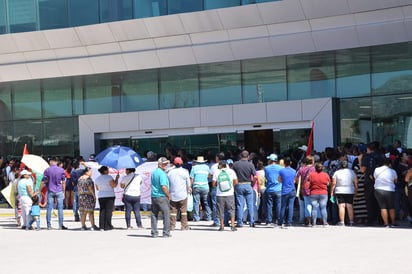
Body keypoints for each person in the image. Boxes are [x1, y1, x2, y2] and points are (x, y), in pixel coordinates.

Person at [360, 142, 384, 225]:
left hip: (369, 180)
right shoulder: (381, 156)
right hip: (381, 180)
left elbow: (363, 169)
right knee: (380, 201)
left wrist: (360, 160)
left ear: (369, 148)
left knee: (370, 200)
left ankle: (371, 219)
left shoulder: (366, 156)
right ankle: (381, 219)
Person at [233, 150, 257, 228]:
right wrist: (252, 184)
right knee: (250, 204)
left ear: (240, 156)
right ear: (248, 156)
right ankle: (251, 221)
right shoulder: (251, 165)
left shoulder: (236, 164)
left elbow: (233, 176)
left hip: (239, 184)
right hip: (248, 184)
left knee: (240, 204)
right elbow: (255, 176)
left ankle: (240, 222)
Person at [41, 157, 67, 230]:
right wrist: (63, 191)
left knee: (49, 208)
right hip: (59, 191)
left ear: (52, 161)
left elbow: (44, 181)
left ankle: (49, 225)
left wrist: (39, 189)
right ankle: (60, 225)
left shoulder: (47, 170)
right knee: (60, 208)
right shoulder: (61, 170)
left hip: (50, 191)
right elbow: (64, 182)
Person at [212, 160, 238, 232]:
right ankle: (232, 226)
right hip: (230, 194)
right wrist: (229, 186)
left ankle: (222, 226)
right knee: (231, 209)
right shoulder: (231, 171)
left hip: (220, 194)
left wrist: (220, 185)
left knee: (221, 210)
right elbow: (236, 182)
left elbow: (213, 184)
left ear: (220, 165)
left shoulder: (217, 172)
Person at [330, 160, 358, 226]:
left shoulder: (336, 173)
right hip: (350, 190)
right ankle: (351, 221)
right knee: (350, 206)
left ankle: (342, 222)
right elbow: (356, 182)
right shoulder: (352, 172)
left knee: (341, 206)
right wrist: (356, 190)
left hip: (339, 190)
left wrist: (331, 191)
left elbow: (333, 183)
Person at [167, 157, 191, 230]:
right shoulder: (185, 171)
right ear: (182, 163)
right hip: (183, 195)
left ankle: (172, 226)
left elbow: (168, 183)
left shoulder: (170, 172)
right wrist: (189, 189)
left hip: (173, 195)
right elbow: (188, 183)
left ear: (174, 163)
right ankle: (184, 226)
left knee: (173, 211)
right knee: (183, 211)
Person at [151, 157, 171, 238]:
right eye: (164, 164)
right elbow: (163, 187)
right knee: (166, 215)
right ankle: (166, 233)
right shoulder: (162, 174)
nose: (166, 165)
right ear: (159, 164)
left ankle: (154, 233)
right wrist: (168, 195)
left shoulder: (154, 172)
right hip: (162, 196)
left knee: (154, 214)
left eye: (166, 163)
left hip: (154, 196)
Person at [374, 158, 398, 227]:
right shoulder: (393, 171)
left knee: (383, 207)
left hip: (378, 190)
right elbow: (395, 181)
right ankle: (393, 223)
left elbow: (375, 178)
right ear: (390, 164)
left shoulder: (377, 170)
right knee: (391, 207)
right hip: (390, 190)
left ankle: (386, 223)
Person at [95, 166, 119, 231]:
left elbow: (97, 188)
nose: (108, 171)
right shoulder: (109, 177)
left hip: (101, 195)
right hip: (109, 195)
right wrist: (117, 179)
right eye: (107, 170)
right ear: (105, 171)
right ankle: (108, 225)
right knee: (108, 211)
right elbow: (114, 185)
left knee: (102, 210)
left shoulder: (97, 179)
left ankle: (101, 226)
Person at [190, 156, 212, 222]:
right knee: (206, 202)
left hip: (196, 186)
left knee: (196, 202)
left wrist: (190, 187)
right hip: (205, 186)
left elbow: (191, 178)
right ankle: (209, 217)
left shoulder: (194, 168)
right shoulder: (207, 167)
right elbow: (209, 176)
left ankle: (196, 218)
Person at [308, 162, 330, 226]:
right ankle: (325, 223)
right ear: (322, 168)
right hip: (323, 193)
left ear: (315, 168)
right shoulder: (326, 175)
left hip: (313, 193)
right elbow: (328, 184)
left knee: (314, 208)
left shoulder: (311, 175)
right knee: (323, 208)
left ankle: (314, 223)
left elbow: (309, 184)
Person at [264, 153, 282, 226]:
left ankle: (269, 220)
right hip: (279, 188)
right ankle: (279, 220)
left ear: (271, 160)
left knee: (269, 205)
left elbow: (266, 177)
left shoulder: (266, 168)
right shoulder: (280, 168)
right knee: (279, 205)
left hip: (270, 188)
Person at [278, 157, 297, 228]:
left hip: (285, 190)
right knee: (291, 206)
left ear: (284, 163)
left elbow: (279, 180)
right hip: (292, 190)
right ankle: (289, 222)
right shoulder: (294, 171)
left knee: (283, 206)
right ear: (291, 163)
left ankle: (280, 222)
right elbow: (295, 180)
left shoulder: (281, 171)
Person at [209, 152, 226, 227]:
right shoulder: (227, 166)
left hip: (216, 186)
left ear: (218, 158)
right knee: (225, 204)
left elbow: (209, 176)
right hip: (225, 187)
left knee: (216, 204)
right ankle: (225, 220)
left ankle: (217, 221)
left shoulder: (214, 166)